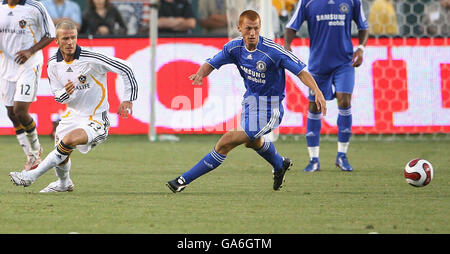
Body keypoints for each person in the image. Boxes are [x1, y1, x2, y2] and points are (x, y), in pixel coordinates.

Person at [166, 10, 327, 193]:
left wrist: (317, 92)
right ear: (239, 28)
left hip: (270, 107)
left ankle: (182, 180)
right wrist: (201, 74)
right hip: (250, 103)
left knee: (226, 142)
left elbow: (302, 72)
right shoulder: (234, 48)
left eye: (256, 29)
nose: (252, 33)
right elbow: (212, 62)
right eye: (248, 29)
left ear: (260, 28)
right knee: (252, 142)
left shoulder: (273, 51)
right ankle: (279, 163)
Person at [9, 20, 138, 193]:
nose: (70, 42)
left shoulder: (92, 58)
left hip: (96, 118)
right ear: (57, 40)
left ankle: (30, 176)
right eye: (65, 39)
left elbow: (126, 67)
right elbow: (58, 96)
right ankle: (64, 184)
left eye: (73, 38)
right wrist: (66, 93)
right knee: (62, 153)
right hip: (72, 116)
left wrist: (128, 98)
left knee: (68, 141)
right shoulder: (53, 64)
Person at [284, 0, 369, 172]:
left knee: (344, 101)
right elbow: (291, 26)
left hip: (344, 63)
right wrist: (287, 45)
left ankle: (342, 156)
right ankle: (313, 159)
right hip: (318, 65)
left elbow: (363, 25)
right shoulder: (307, 2)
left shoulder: (353, 1)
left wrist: (360, 48)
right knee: (315, 106)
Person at [0, 0, 56, 170]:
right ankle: (31, 154)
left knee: (20, 110)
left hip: (29, 65)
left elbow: (50, 34)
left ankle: (35, 151)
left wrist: (30, 51)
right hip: (6, 65)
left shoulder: (35, 7)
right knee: (11, 112)